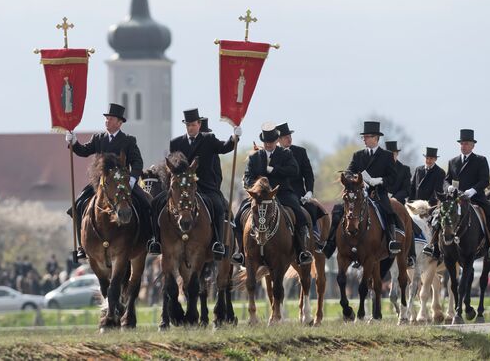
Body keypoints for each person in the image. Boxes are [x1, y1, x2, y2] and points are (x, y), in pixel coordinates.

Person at [67, 103, 155, 259]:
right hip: (101, 183)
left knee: (147, 202)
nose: (107, 121)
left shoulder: (128, 140)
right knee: (78, 205)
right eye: (106, 118)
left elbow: (137, 162)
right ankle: (82, 245)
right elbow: (84, 151)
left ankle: (151, 239)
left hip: (123, 183)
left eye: (110, 119)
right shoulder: (99, 138)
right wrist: (73, 142)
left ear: (119, 122)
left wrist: (133, 179)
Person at [154, 108, 239, 259]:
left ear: (199, 124)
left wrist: (234, 138)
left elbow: (225, 147)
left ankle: (218, 243)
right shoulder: (175, 143)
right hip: (181, 188)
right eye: (188, 125)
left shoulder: (209, 139)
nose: (190, 128)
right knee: (156, 203)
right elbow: (171, 165)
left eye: (193, 125)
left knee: (219, 206)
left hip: (205, 187)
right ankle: (156, 241)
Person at [231, 124, 313, 266]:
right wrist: (255, 188)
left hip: (282, 193)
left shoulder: (286, 154)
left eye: (271, 142)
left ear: (276, 141)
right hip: (259, 196)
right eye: (266, 142)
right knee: (238, 217)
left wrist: (273, 170)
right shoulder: (255, 157)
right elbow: (248, 176)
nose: (268, 145)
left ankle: (301, 251)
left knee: (300, 215)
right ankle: (240, 252)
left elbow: (294, 170)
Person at [322, 121, 403, 259]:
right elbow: (348, 171)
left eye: (367, 137)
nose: (364, 139)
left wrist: (379, 180)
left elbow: (393, 178)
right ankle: (330, 244)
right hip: (359, 192)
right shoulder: (358, 155)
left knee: (388, 211)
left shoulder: (387, 156)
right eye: (363, 137)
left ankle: (391, 242)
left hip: (378, 193)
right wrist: (354, 179)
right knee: (338, 210)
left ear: (376, 138)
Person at [443, 129, 490, 262]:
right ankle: (434, 244)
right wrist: (448, 187)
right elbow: (446, 180)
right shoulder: (453, 161)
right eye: (462, 143)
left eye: (467, 144)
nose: (464, 146)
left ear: (473, 146)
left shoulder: (480, 160)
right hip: (456, 198)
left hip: (475, 197)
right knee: (438, 214)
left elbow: (485, 180)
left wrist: (473, 190)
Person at [276, 122, 327, 252]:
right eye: (285, 136)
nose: (289, 138)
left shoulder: (300, 152)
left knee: (311, 208)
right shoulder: (273, 154)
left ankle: (315, 236)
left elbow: (308, 175)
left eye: (290, 136)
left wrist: (309, 191)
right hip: (277, 193)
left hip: (298, 193)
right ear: (278, 140)